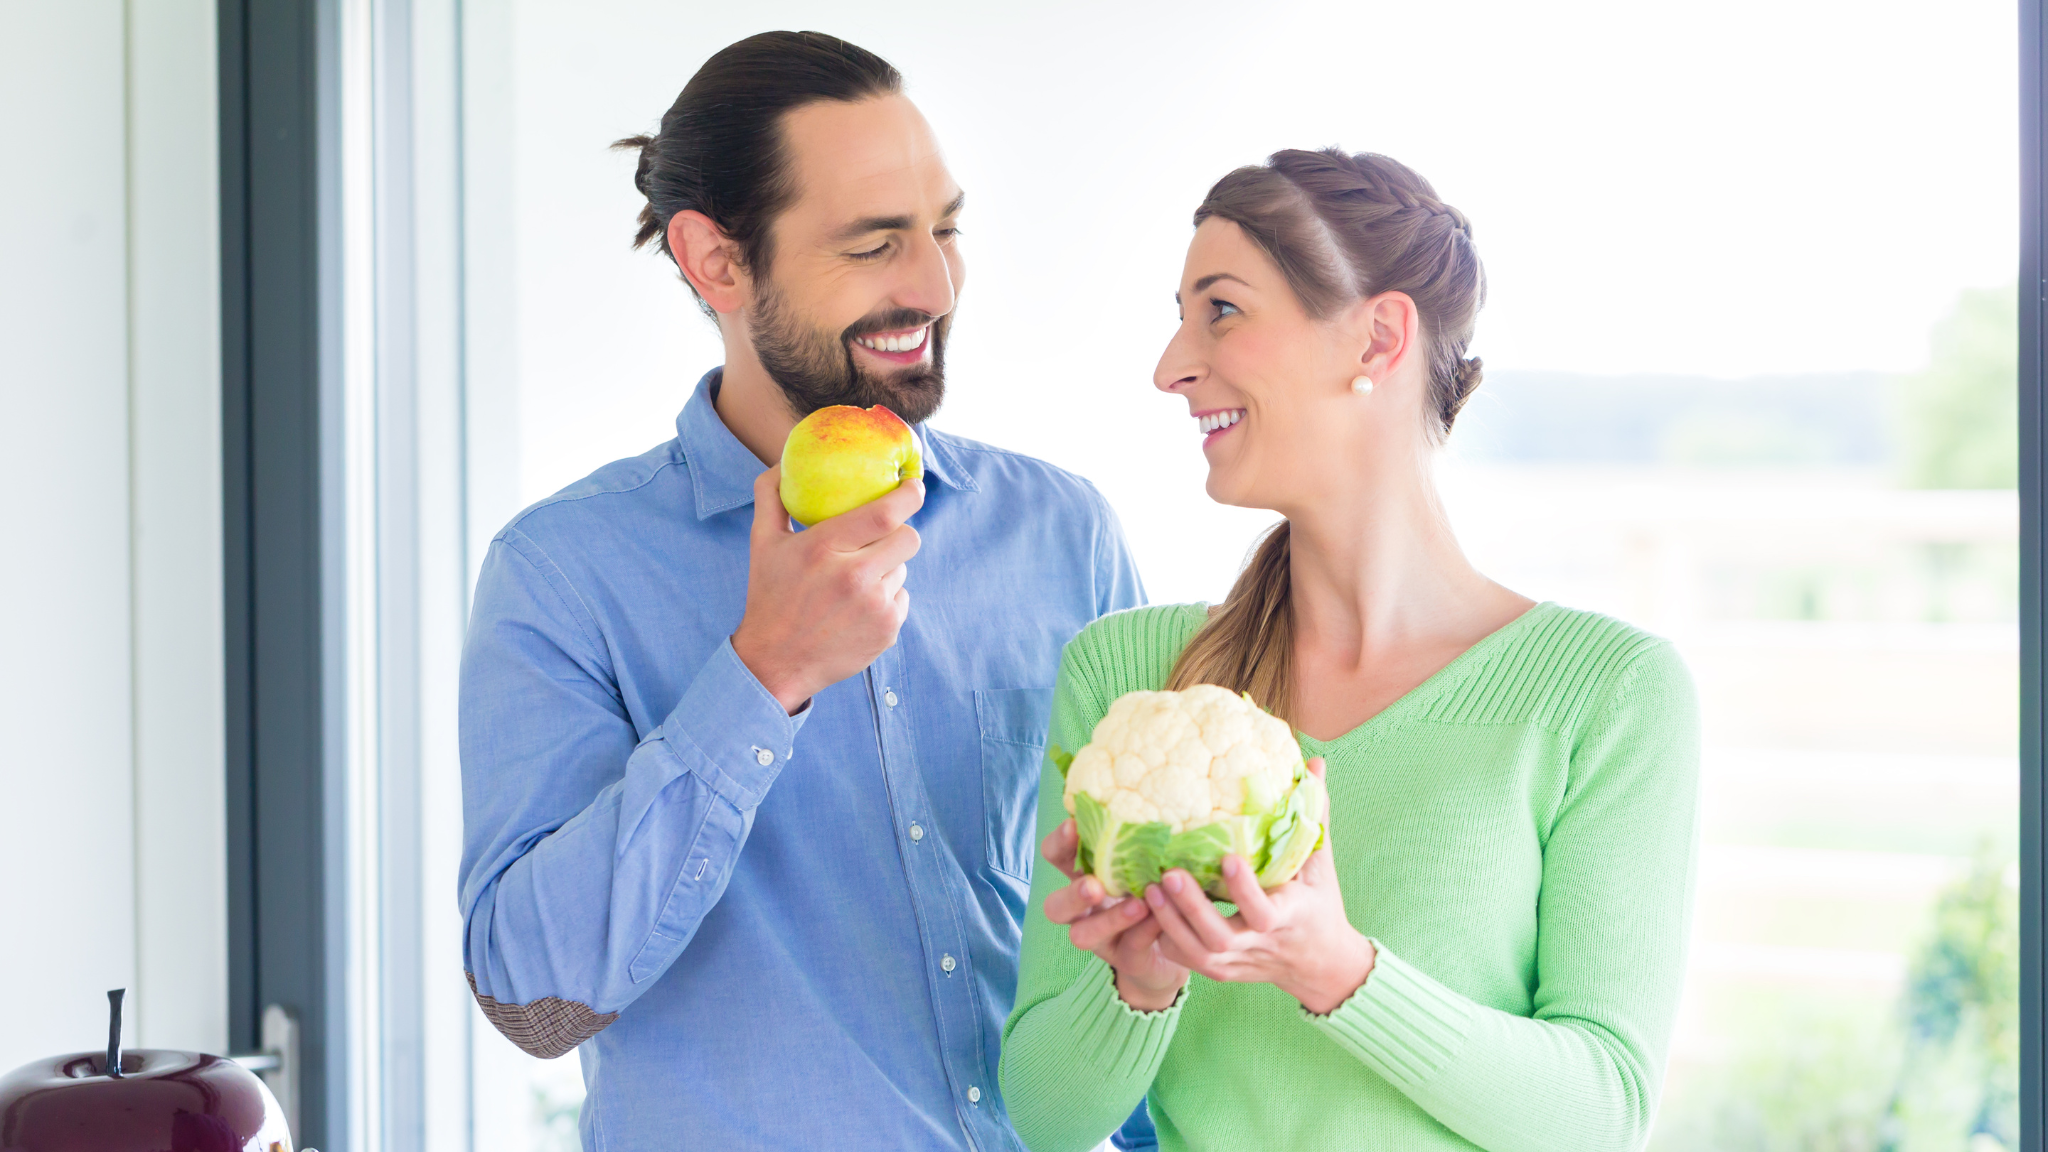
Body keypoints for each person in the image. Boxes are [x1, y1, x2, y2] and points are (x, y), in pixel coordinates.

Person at [457, 32, 1148, 1150]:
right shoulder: (564, 573)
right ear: (715, 261)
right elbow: (532, 1000)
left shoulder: (1062, 534)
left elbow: (1131, 936)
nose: (933, 284)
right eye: (874, 244)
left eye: (945, 229)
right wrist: (760, 676)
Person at [999, 149, 1700, 1152]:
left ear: (1375, 338)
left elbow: (1598, 1114)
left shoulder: (1606, 696)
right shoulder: (1132, 683)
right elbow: (1047, 1116)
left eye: (1221, 311)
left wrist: (1334, 969)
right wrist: (1137, 982)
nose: (1170, 366)